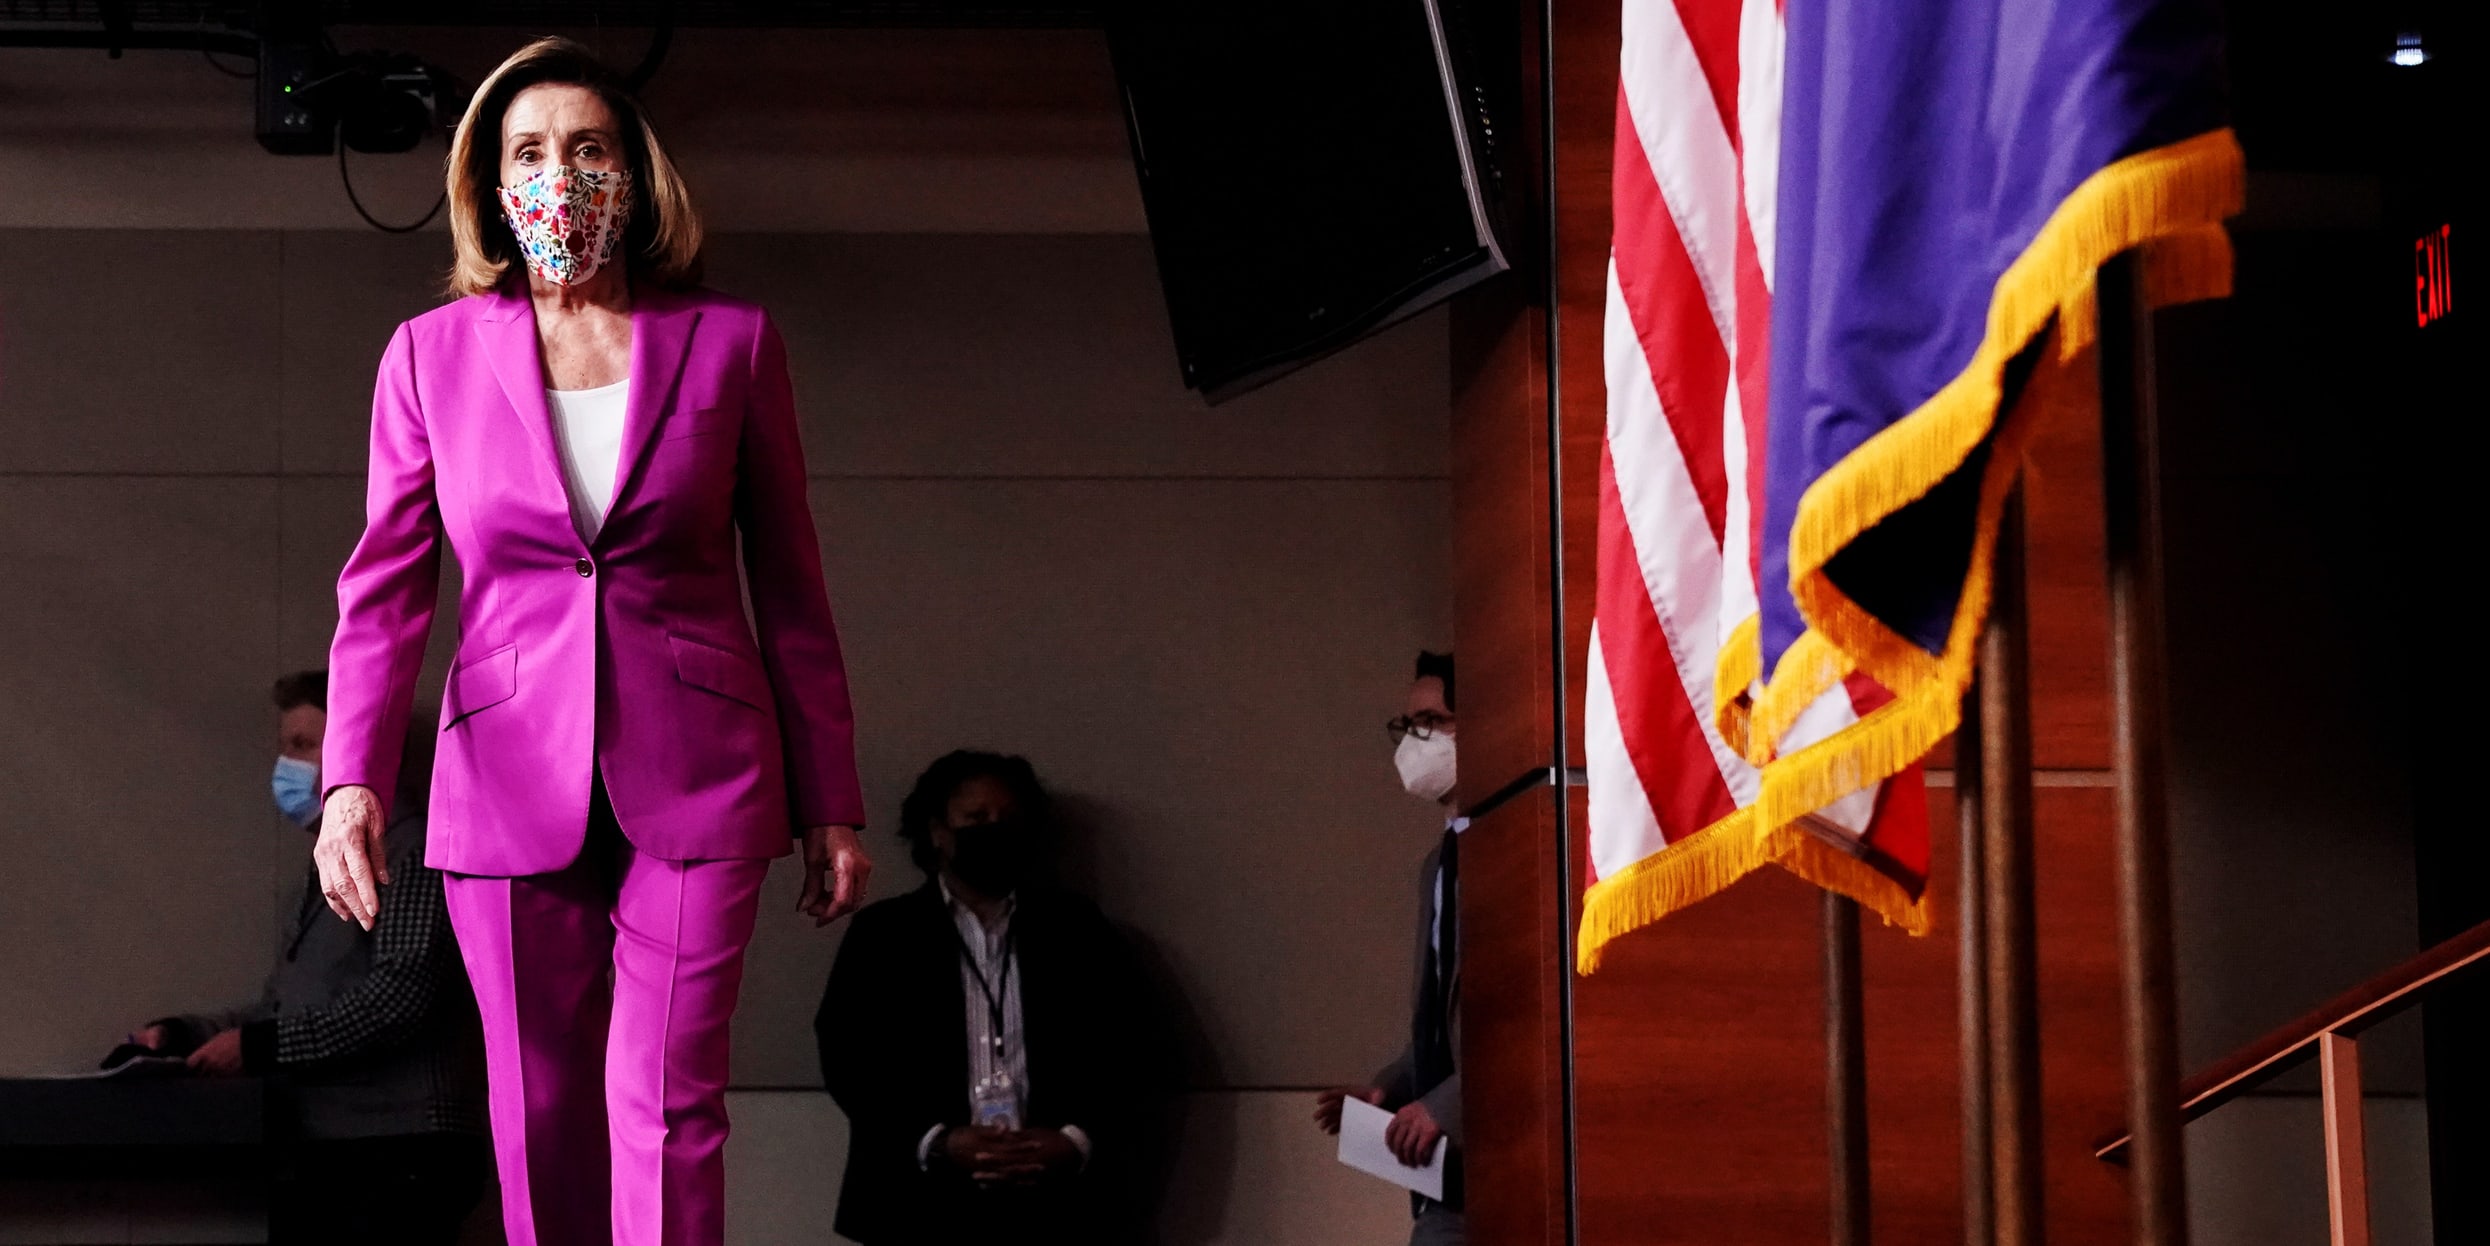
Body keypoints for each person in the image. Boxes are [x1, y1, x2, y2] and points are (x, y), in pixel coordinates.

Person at [311, 37, 875, 1246]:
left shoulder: (732, 343)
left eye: (587, 148)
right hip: (503, 772)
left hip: (705, 767)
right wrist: (352, 781)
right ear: (491, 186)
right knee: (536, 1108)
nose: (557, 175)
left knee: (667, 1102)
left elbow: (791, 583)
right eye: (527, 153)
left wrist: (830, 795)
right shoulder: (428, 357)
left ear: (636, 174)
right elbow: (387, 587)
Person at [132, 670, 487, 1245]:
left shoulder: (414, 852)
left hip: (399, 1152)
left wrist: (257, 1048)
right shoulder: (331, 866)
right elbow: (286, 1005)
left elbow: (400, 998)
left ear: (361, 751)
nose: (286, 765)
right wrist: (185, 1035)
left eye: (302, 745)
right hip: (333, 1149)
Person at [816, 751, 1157, 1246]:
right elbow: (849, 1057)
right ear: (937, 831)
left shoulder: (1077, 928)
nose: (994, 831)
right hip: (914, 1202)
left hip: (1060, 1203)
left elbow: (1131, 1047)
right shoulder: (884, 934)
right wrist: (937, 1140)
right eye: (976, 818)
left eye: (1008, 819)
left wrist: (1074, 1140)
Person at [1315, 650, 1465, 1246]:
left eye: (1432, 723)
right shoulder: (1438, 865)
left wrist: (1444, 1108)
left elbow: (1530, 1025)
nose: (1413, 742)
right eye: (1408, 725)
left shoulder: (1516, 858)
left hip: (1505, 1151)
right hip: (1442, 1171)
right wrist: (1389, 1089)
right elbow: (1442, 1023)